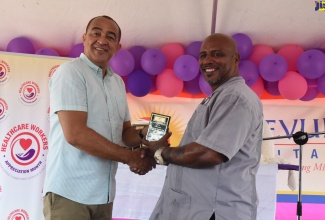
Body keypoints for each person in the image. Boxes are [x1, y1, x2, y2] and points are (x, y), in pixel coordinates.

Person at [42, 15, 170, 220]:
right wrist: (130, 157)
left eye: (110, 37)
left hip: (104, 195)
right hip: (70, 194)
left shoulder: (117, 82)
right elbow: (76, 134)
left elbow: (123, 133)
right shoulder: (71, 73)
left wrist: (144, 133)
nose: (102, 40)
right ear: (84, 38)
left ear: (117, 47)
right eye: (96, 33)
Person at [144, 33, 264, 220]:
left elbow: (209, 153)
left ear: (236, 59)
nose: (208, 60)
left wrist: (161, 153)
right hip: (200, 208)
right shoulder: (220, 96)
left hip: (216, 211)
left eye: (217, 54)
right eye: (203, 55)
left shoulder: (235, 97)